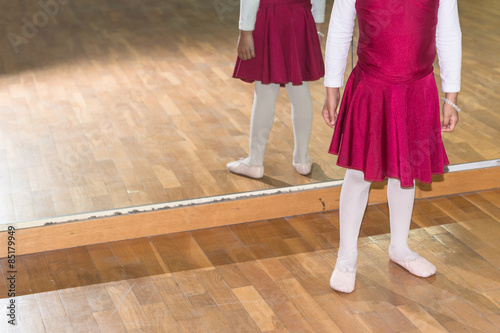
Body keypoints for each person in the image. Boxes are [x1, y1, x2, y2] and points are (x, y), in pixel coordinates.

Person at [323, 0, 462, 293]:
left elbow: (448, 34)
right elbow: (340, 29)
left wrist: (451, 97)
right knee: (360, 173)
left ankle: (399, 247)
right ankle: (346, 257)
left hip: (416, 88)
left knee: (405, 171)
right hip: (372, 87)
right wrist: (331, 87)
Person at [227, 0, 326, 178]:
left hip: (269, 17)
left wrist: (245, 31)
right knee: (300, 88)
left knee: (265, 91)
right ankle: (302, 160)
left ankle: (255, 162)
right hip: (300, 17)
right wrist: (317, 24)